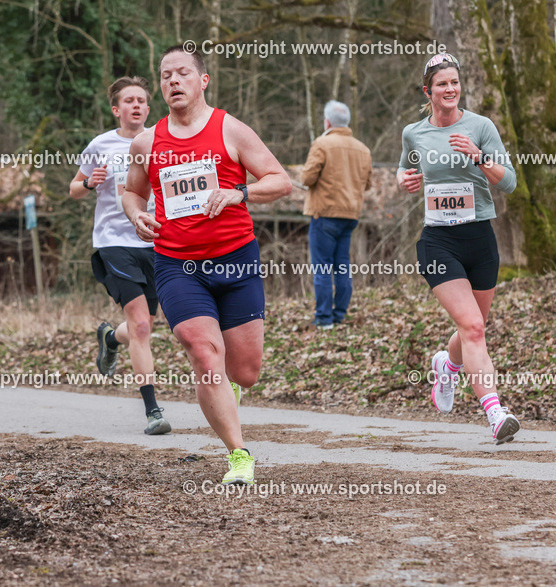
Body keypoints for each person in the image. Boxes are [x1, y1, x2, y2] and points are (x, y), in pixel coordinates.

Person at [122, 45, 292, 484]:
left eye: (182, 73)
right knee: (203, 353)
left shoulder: (231, 130)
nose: (172, 81)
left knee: (246, 371)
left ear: (203, 80)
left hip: (236, 260)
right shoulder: (148, 142)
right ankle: (239, 456)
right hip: (177, 264)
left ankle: (229, 390)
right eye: (165, 76)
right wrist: (136, 214)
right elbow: (132, 192)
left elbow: (280, 180)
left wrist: (241, 193)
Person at [397, 53, 521, 444]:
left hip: (479, 237)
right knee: (471, 326)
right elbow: (404, 168)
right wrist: (405, 180)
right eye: (441, 85)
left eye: (454, 83)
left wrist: (479, 157)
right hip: (438, 241)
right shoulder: (414, 133)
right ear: (428, 92)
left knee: (474, 328)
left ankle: (447, 365)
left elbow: (510, 182)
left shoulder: (481, 127)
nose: (450, 90)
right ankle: (496, 414)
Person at [70, 76, 170, 436]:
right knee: (142, 326)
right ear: (117, 109)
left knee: (145, 327)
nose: (137, 106)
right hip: (114, 242)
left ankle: (110, 339)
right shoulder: (101, 144)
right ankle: (152, 411)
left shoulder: (162, 140)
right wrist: (88, 184)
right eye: (129, 101)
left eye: (142, 100)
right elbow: (73, 188)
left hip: (156, 242)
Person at [301, 100, 372, 329]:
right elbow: (367, 183)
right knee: (342, 266)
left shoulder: (322, 143)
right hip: (350, 215)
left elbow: (306, 179)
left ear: (327, 121)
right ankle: (339, 314)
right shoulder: (363, 149)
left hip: (325, 213)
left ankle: (323, 318)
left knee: (322, 267)